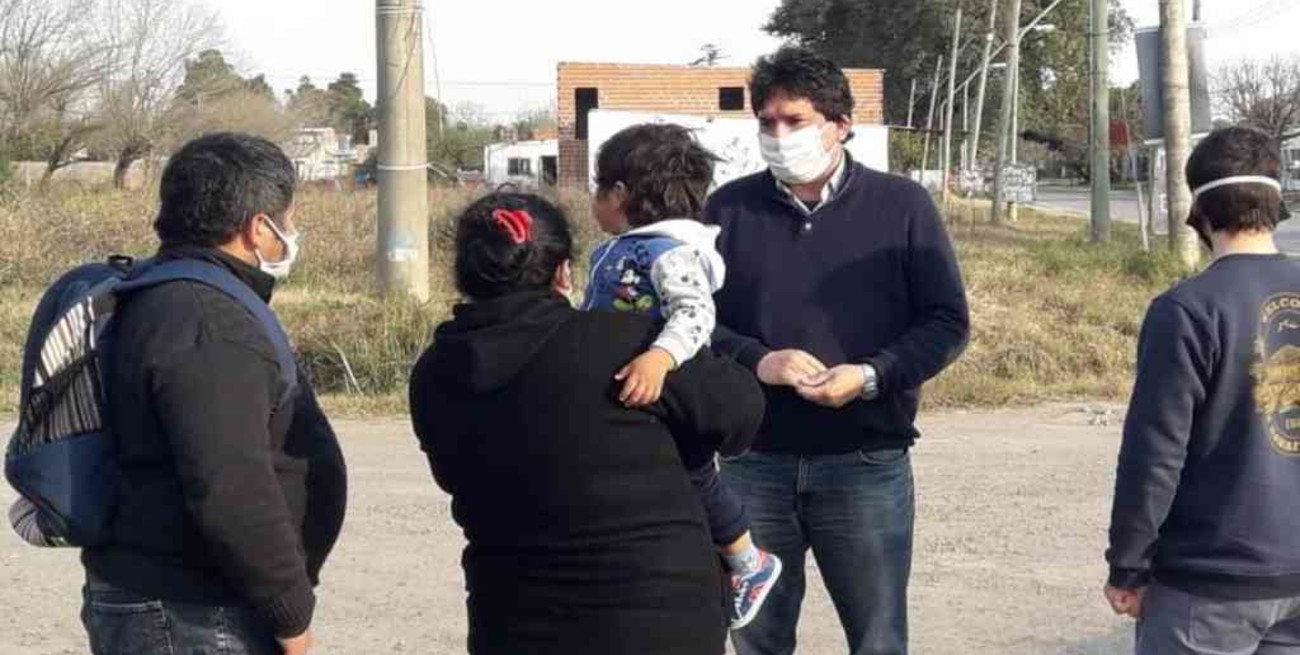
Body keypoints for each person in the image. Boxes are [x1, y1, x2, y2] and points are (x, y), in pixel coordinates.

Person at [409, 192, 766, 655]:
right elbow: (740, 412)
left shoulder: (435, 373)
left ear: (465, 277)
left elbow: (452, 476)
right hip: (658, 619)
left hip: (513, 619)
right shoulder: (627, 345)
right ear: (563, 273)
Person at [707, 47, 970, 655]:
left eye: (794, 121)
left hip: (866, 462)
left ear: (840, 125)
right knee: (756, 639)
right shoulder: (726, 210)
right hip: (754, 463)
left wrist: (873, 375)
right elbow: (698, 324)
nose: (778, 135)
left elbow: (946, 321)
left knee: (878, 639)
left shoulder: (902, 206)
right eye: (767, 122)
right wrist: (756, 360)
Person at [81, 133, 348, 655]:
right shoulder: (205, 318)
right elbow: (230, 485)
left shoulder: (168, 294)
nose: (290, 234)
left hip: (173, 603)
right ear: (257, 228)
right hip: (191, 613)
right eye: (287, 220)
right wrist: (291, 618)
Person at [1105, 126, 1300, 654]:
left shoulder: (1189, 308)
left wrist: (1128, 563)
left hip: (1210, 584)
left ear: (1200, 212)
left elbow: (1155, 453)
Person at [583, 122, 782, 628]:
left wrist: (661, 357)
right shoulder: (615, 249)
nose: (593, 201)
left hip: (670, 391)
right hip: (631, 396)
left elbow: (695, 313)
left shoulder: (670, 251)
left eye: (597, 187)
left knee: (697, 476)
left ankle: (748, 561)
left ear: (620, 193)